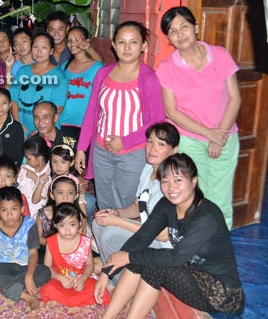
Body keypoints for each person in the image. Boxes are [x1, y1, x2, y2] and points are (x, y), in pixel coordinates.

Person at [95, 154, 244, 318]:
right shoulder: (167, 204)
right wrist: (105, 273)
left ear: (193, 181)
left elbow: (176, 258)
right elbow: (141, 238)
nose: (171, 187)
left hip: (221, 294)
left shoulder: (206, 217)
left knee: (152, 263)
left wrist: (128, 257)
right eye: (165, 181)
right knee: (142, 257)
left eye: (178, 180)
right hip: (191, 273)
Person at [156, 6, 241, 229]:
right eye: (173, 31)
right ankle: (195, 247)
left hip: (225, 138)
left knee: (221, 198)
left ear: (196, 27)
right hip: (191, 141)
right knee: (193, 197)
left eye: (184, 26)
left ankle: (220, 247)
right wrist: (208, 134)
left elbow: (235, 98)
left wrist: (219, 135)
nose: (180, 33)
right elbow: (171, 111)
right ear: (169, 39)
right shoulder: (166, 68)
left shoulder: (221, 55)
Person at [75, 21, 165, 210]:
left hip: (132, 154)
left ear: (143, 46)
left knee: (125, 205)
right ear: (114, 46)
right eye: (122, 42)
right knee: (105, 202)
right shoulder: (103, 74)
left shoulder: (149, 78)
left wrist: (125, 141)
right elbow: (92, 112)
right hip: (101, 151)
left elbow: (157, 121)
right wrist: (82, 148)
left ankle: (122, 239)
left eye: (133, 42)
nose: (127, 47)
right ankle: (106, 239)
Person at [93, 122, 179, 282]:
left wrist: (118, 221)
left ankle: (120, 284)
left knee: (110, 234)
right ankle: (116, 274)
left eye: (161, 144)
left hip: (164, 246)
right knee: (99, 223)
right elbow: (137, 206)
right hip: (147, 234)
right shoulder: (147, 168)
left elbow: (163, 235)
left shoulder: (172, 182)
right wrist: (117, 213)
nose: (153, 148)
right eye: (150, 141)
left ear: (174, 150)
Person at [0, 187, 51, 312]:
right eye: (4, 210)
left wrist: (29, 276)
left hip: (24, 267)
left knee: (45, 272)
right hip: (2, 267)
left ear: (22, 209)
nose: (9, 215)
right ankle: (29, 298)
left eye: (14, 209)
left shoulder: (29, 224)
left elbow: (33, 254)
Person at [40, 202, 109, 307]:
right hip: (58, 278)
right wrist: (61, 279)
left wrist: (82, 280)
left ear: (80, 223)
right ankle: (66, 298)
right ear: (55, 225)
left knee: (99, 290)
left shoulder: (85, 242)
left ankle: (61, 299)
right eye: (62, 225)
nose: (67, 229)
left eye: (72, 224)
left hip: (81, 278)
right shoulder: (51, 242)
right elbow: (47, 267)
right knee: (47, 288)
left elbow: (90, 265)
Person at [11, 32, 68, 135]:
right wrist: (18, 125)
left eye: (44, 48)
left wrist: (38, 131)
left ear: (51, 51)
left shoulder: (59, 76)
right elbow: (14, 99)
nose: (39, 51)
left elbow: (58, 108)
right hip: (22, 130)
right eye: (35, 47)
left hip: (45, 133)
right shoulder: (22, 71)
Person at [59, 26, 104, 145]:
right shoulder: (64, 67)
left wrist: (89, 49)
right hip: (64, 122)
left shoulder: (96, 67)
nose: (72, 43)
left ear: (86, 41)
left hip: (86, 124)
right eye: (69, 40)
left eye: (77, 39)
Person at [37, 175, 87, 249]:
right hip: (48, 248)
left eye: (70, 193)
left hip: (72, 249)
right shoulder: (44, 213)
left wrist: (64, 247)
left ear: (76, 196)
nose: (65, 197)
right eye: (60, 193)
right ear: (52, 195)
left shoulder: (78, 216)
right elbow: (38, 237)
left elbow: (79, 238)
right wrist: (55, 246)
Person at [49, 144, 95, 222]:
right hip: (55, 207)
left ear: (71, 162)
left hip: (74, 209)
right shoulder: (47, 177)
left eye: (63, 162)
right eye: (55, 162)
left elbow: (81, 199)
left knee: (90, 200)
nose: (58, 166)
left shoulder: (76, 180)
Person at [18, 135, 52, 218]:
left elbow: (40, 197)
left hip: (37, 211)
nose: (26, 161)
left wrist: (35, 178)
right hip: (22, 208)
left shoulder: (49, 172)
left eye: (29, 158)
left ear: (40, 158)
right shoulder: (25, 169)